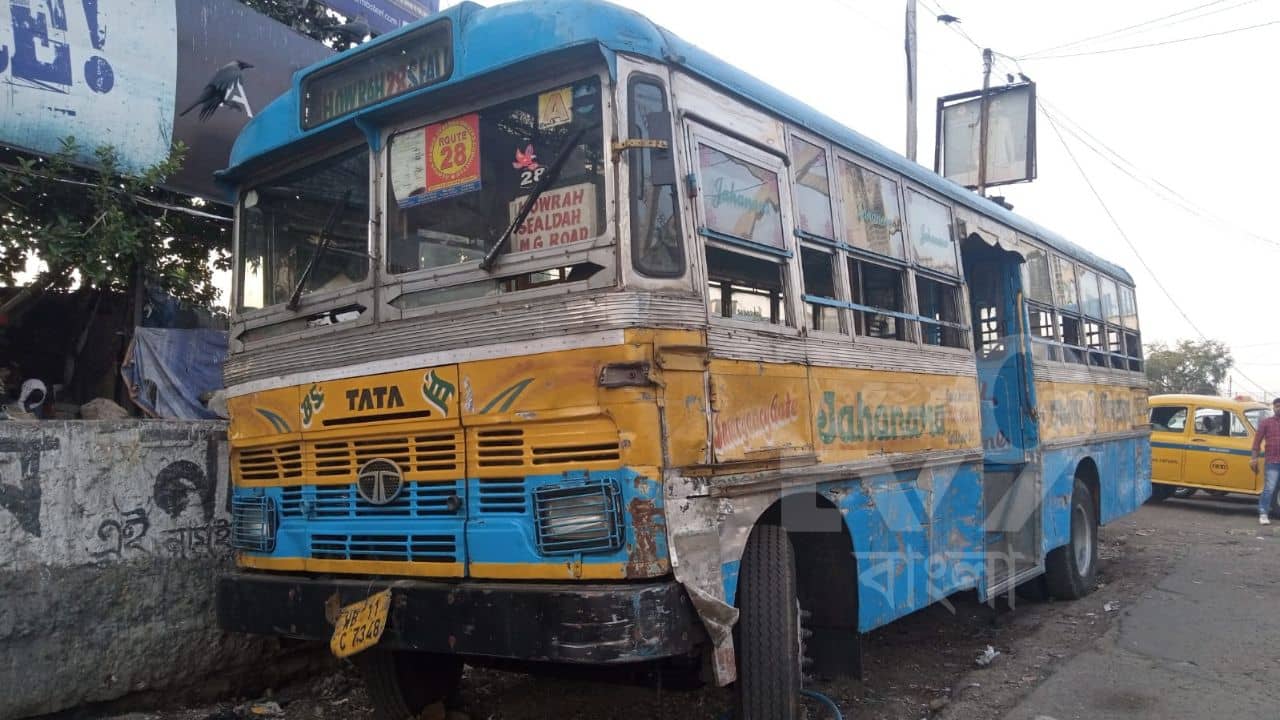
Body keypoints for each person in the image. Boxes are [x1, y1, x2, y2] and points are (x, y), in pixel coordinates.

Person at [1248, 397, 1280, 525]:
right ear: (1273, 407)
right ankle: (1263, 513)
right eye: (1277, 406)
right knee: (1269, 488)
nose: (1279, 408)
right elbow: (1257, 442)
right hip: (1272, 460)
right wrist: (1254, 458)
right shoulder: (1266, 423)